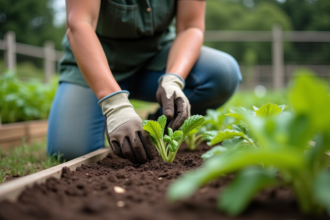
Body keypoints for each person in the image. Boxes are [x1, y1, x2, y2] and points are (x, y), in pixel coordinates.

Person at [47, 0, 242, 163]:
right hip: (93, 63)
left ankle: (152, 132)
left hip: (156, 59)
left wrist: (174, 78)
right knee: (69, 151)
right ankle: (118, 120)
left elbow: (191, 26)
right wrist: (114, 104)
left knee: (222, 72)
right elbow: (80, 24)